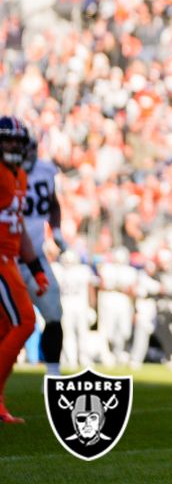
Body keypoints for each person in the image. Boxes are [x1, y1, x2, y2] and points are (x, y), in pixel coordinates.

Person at [0, 117, 50, 424]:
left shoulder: (19, 177)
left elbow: (20, 232)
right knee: (26, 321)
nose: (15, 146)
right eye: (9, 141)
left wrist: (37, 268)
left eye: (19, 142)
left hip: (11, 261)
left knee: (6, 330)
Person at [15, 126, 70, 375]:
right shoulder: (6, 173)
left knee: (53, 313)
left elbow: (53, 205)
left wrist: (56, 233)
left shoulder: (46, 171)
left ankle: (53, 373)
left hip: (35, 256)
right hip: (7, 258)